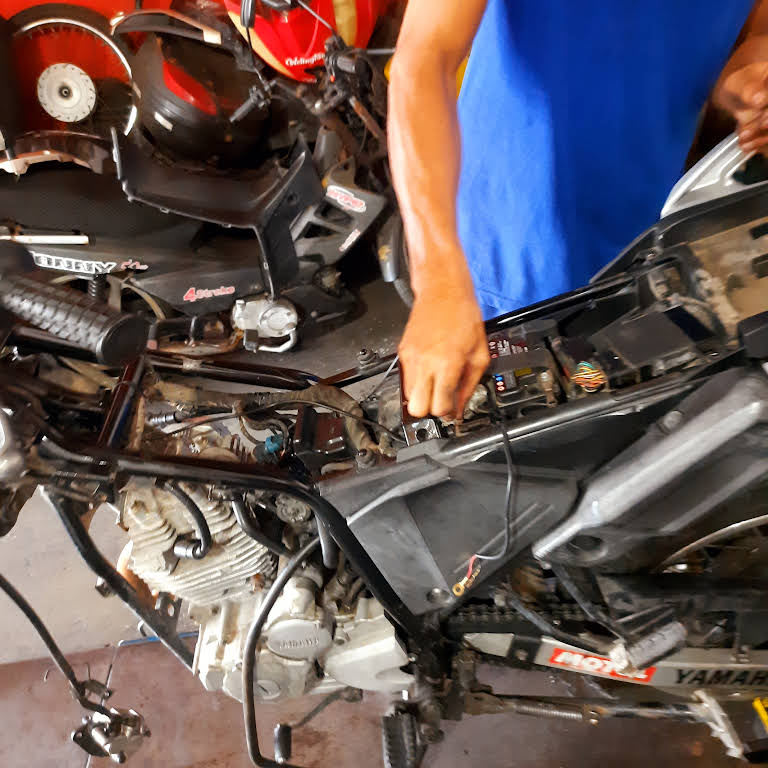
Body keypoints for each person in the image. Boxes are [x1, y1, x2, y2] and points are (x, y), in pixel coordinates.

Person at [388, 0, 768, 420]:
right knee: (504, 454)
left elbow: (754, 34)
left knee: (621, 448)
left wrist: (748, 83)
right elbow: (424, 57)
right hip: (505, 252)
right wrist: (439, 281)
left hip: (643, 254)